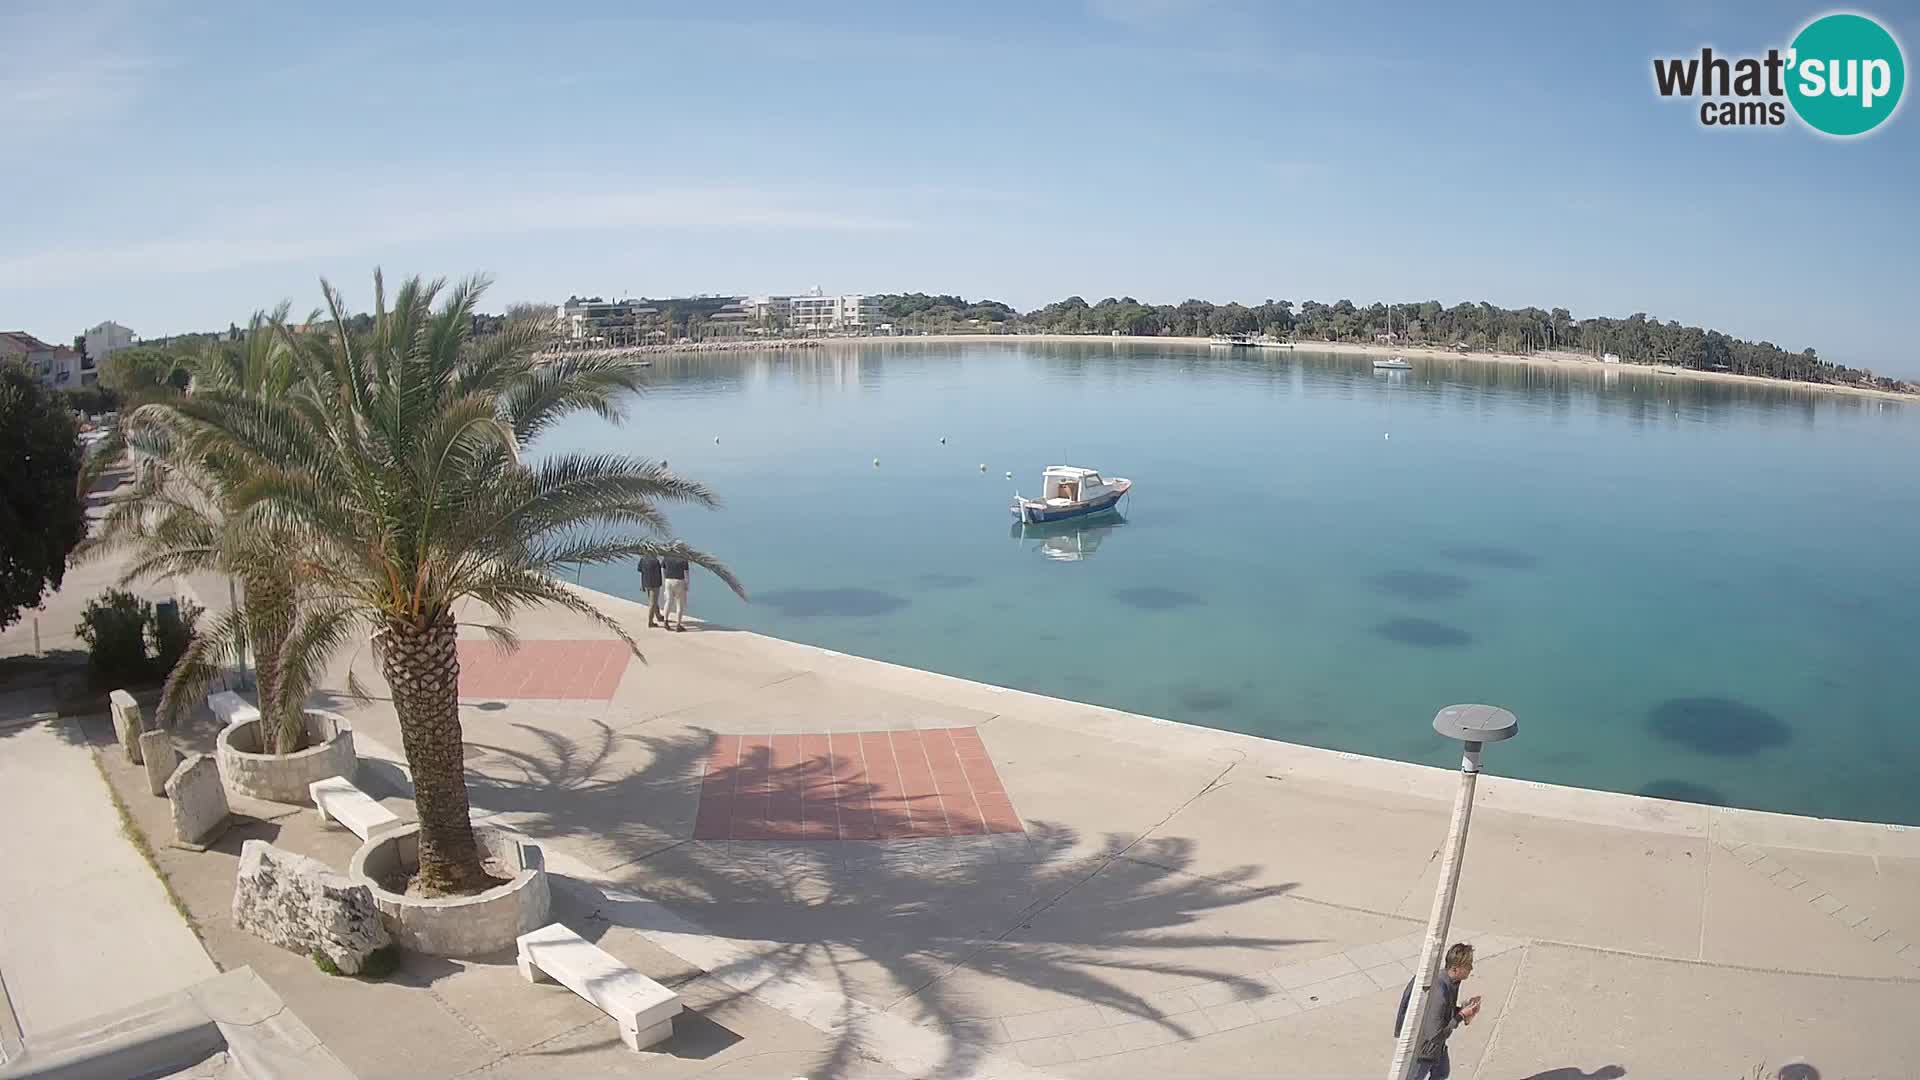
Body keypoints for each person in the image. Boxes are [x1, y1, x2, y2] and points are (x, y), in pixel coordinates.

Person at [1393, 943, 1481, 1080]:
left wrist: (1463, 1009)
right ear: (1456, 968)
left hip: (1435, 1045)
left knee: (1441, 1073)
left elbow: (1442, 1014)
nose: (1471, 968)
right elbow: (1435, 1034)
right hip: (1424, 1049)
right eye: (1468, 965)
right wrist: (1461, 1015)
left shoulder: (1452, 982)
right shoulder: (1440, 991)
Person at [660, 553, 690, 631]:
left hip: (668, 581)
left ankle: (665, 621)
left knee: (668, 602)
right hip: (679, 581)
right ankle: (678, 625)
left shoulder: (666, 557)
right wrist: (687, 584)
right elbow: (686, 573)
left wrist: (664, 580)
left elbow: (662, 569)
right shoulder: (683, 558)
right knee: (679, 604)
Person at [637, 553, 664, 628]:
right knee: (653, 603)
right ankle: (650, 621)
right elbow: (658, 573)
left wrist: (642, 585)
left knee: (654, 601)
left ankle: (658, 615)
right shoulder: (656, 561)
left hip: (646, 582)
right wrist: (660, 584)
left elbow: (641, 572)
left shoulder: (643, 559)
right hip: (654, 584)